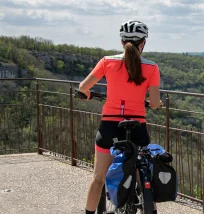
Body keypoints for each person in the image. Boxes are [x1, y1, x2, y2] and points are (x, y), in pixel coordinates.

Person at [79, 20, 163, 214]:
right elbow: (156, 102)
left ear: (121, 41)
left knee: (99, 177)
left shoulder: (107, 62)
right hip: (137, 126)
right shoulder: (152, 67)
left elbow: (83, 86)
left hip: (110, 125)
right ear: (143, 43)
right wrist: (156, 105)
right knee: (143, 177)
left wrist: (88, 94)